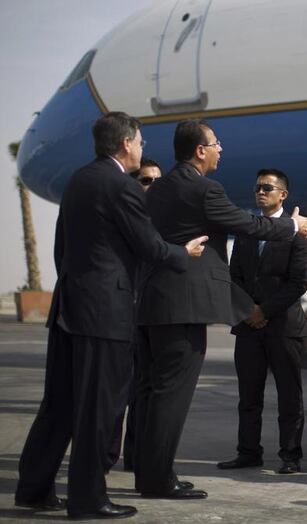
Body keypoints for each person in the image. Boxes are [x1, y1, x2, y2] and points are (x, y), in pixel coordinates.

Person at [14, 112, 206, 520]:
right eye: (139, 141)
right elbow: (150, 246)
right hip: (106, 314)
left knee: (60, 405)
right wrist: (182, 253)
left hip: (70, 308)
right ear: (124, 144)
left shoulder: (79, 181)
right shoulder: (122, 187)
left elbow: (62, 248)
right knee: (101, 409)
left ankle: (33, 490)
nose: (141, 148)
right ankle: (88, 500)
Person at [134, 120, 307, 499]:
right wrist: (293, 225)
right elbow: (247, 224)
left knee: (155, 394)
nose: (222, 150)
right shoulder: (204, 189)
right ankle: (157, 480)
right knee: (172, 396)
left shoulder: (159, 189)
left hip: (154, 303)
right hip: (183, 308)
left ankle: (150, 473)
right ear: (200, 151)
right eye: (217, 144)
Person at [216, 168, 307, 474]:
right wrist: (248, 311)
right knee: (249, 397)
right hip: (249, 327)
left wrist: (264, 311)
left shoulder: (299, 233)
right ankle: (248, 452)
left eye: (267, 188)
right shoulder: (247, 231)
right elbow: (235, 277)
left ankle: (290, 456)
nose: (260, 192)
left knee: (289, 397)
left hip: (284, 327)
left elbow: (298, 283)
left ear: (282, 194)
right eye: (257, 187)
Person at [106, 157, 163, 473]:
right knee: (116, 395)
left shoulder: (167, 223)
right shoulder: (117, 219)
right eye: (146, 181)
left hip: (154, 321)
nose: (153, 186)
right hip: (119, 319)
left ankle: (137, 458)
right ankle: (106, 456)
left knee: (147, 394)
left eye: (157, 181)